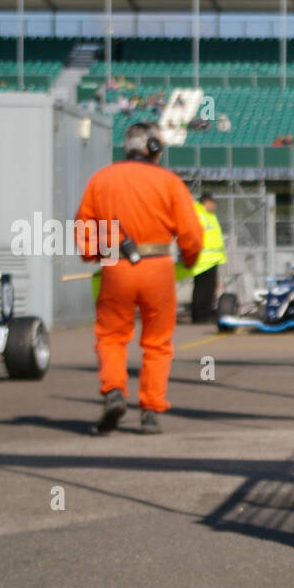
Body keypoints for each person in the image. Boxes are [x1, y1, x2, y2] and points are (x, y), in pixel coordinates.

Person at [74, 123, 202, 435]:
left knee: (111, 337)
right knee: (157, 342)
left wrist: (100, 250)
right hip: (158, 267)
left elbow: (82, 233)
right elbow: (191, 234)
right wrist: (189, 257)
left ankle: (114, 392)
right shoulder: (169, 181)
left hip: (116, 267)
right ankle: (150, 412)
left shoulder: (101, 180)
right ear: (155, 148)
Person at [183, 193, 227, 323]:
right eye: (213, 203)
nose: (214, 206)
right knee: (202, 289)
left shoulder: (209, 216)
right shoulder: (197, 214)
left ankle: (206, 313)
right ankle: (199, 315)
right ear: (207, 202)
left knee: (209, 289)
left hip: (211, 258)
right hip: (201, 258)